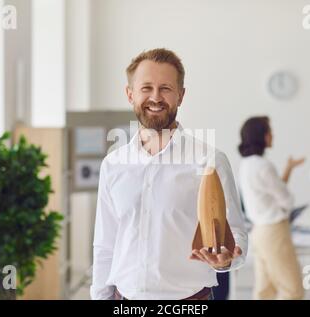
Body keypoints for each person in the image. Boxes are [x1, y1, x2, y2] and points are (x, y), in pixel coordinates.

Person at [90, 48, 248, 300]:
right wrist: (100, 296)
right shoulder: (114, 164)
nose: (155, 97)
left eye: (165, 88)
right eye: (146, 88)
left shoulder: (209, 160)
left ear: (181, 95)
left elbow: (236, 232)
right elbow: (105, 244)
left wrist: (225, 260)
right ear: (130, 94)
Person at [238, 116, 305, 300]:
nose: (272, 134)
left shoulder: (245, 165)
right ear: (262, 136)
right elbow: (287, 200)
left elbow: (270, 193)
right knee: (292, 289)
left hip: (259, 232)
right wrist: (285, 203)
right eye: (269, 131)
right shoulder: (263, 165)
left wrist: (288, 169)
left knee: (264, 291)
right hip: (274, 231)